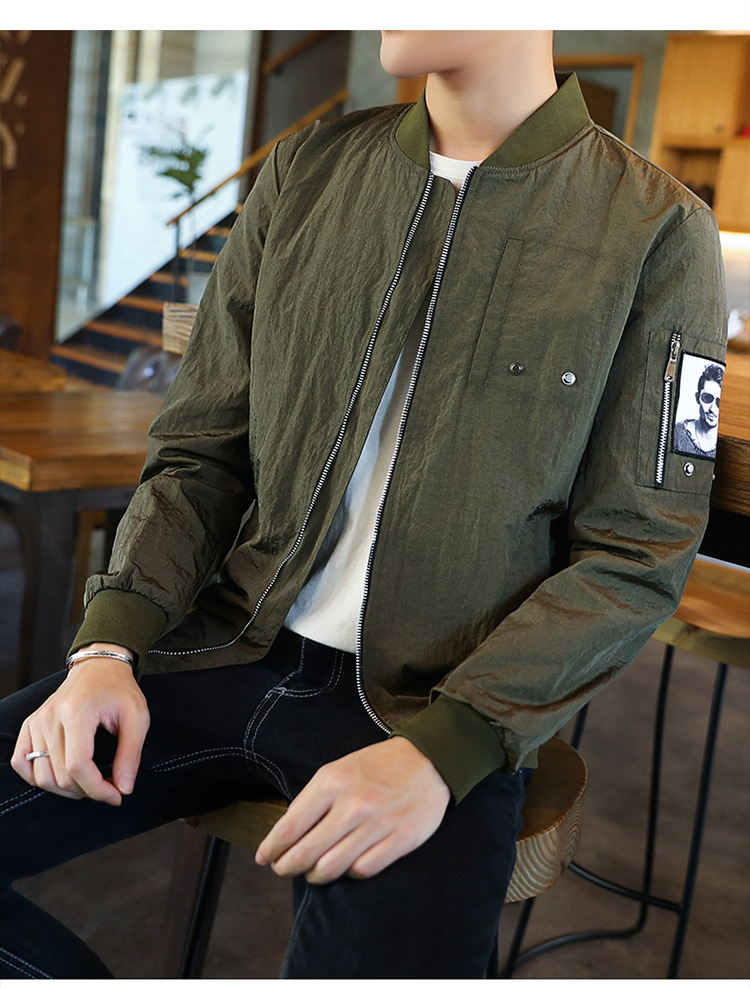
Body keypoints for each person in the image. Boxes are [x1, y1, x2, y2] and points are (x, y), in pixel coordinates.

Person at [0, 30, 727, 979]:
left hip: (435, 704)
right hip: (222, 648)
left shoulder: (657, 228)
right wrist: (107, 646)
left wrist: (447, 749)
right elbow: (200, 448)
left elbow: (637, 551)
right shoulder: (307, 168)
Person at [673, 362, 724, 459]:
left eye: (719, 402)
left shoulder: (724, 445)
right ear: (697, 397)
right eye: (707, 398)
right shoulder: (678, 433)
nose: (713, 409)